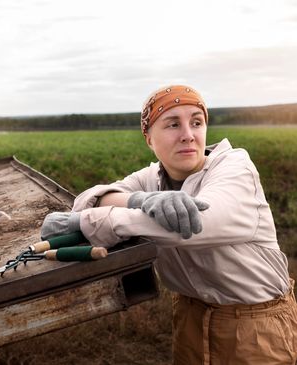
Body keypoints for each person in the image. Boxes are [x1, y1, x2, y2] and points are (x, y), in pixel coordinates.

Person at [41, 85, 297, 364]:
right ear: (149, 139)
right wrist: (142, 198)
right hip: (190, 315)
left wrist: (90, 222)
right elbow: (88, 198)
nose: (188, 135)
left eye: (196, 122)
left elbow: (193, 224)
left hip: (256, 326)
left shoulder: (235, 168)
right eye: (173, 124)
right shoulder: (151, 177)